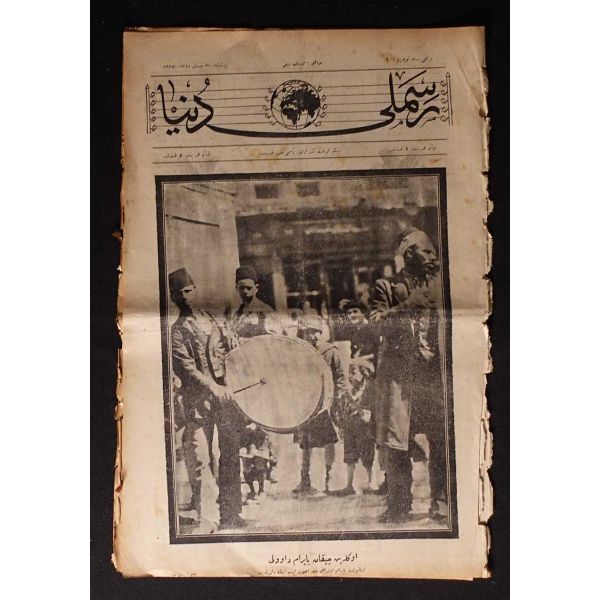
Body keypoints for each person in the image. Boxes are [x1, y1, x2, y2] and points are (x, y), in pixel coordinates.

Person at [371, 227, 447, 522]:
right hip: (399, 378)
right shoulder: (387, 286)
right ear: (408, 254)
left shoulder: (440, 286)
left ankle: (440, 502)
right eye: (426, 251)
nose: (433, 256)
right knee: (397, 444)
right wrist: (408, 306)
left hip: (431, 376)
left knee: (440, 438)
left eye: (433, 251)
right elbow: (376, 324)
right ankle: (399, 505)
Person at [168, 268, 235, 527]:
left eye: (188, 291)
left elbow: (231, 350)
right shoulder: (177, 331)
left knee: (229, 455)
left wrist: (230, 382)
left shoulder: (214, 319)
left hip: (226, 399)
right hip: (197, 403)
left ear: (195, 290)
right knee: (199, 457)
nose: (184, 297)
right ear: (173, 298)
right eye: (178, 294)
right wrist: (212, 386)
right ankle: (207, 518)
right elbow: (186, 368)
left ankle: (231, 514)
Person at [292, 315, 350, 496]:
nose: (313, 336)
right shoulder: (298, 351)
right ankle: (305, 479)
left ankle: (329, 478)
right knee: (305, 442)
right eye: (309, 332)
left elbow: (340, 377)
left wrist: (338, 397)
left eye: (316, 332)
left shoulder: (330, 351)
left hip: (325, 403)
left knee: (328, 440)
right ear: (303, 333)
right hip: (305, 404)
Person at [329, 301, 379, 496]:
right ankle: (350, 484)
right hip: (356, 380)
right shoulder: (353, 332)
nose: (351, 315)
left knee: (368, 438)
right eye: (349, 312)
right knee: (351, 438)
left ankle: (373, 480)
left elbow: (374, 358)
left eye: (355, 311)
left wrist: (355, 363)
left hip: (370, 382)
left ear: (363, 312)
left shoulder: (370, 330)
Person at [231, 265, 282, 340]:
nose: (245, 291)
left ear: (256, 288)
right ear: (236, 288)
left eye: (249, 288)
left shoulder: (265, 311)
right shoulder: (237, 312)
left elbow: (274, 339)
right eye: (241, 288)